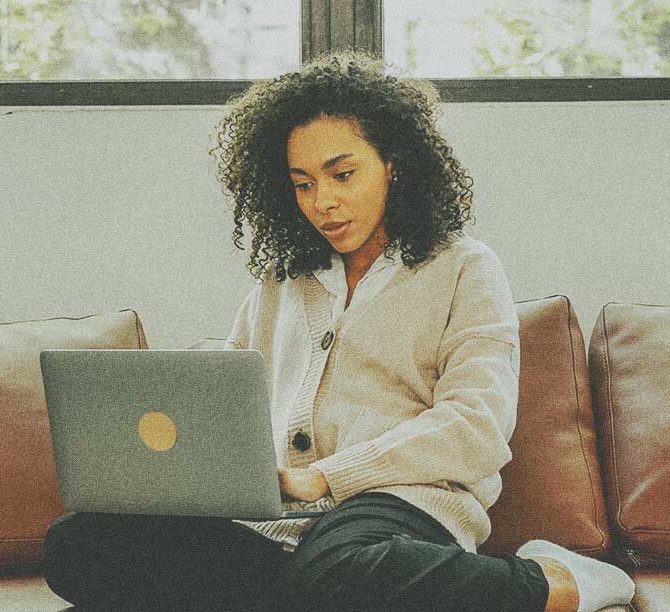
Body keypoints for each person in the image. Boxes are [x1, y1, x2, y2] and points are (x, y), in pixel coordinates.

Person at [40, 51, 635, 612]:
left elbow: (475, 427)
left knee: (337, 566)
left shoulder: (464, 268)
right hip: (274, 525)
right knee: (78, 545)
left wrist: (325, 476)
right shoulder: (280, 283)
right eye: (303, 184)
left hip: (402, 506)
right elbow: (229, 410)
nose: (323, 202)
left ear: (394, 165)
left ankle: (555, 582)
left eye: (342, 174)